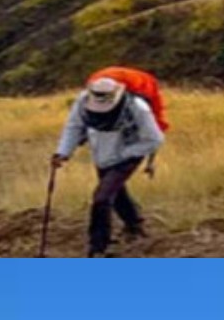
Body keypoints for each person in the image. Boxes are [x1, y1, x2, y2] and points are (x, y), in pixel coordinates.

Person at [52, 75, 165, 258]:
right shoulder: (82, 102)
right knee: (116, 192)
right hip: (101, 154)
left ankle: (98, 247)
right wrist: (62, 153)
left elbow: (155, 139)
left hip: (127, 156)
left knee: (101, 198)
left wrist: (126, 154)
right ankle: (134, 225)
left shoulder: (137, 108)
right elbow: (73, 127)